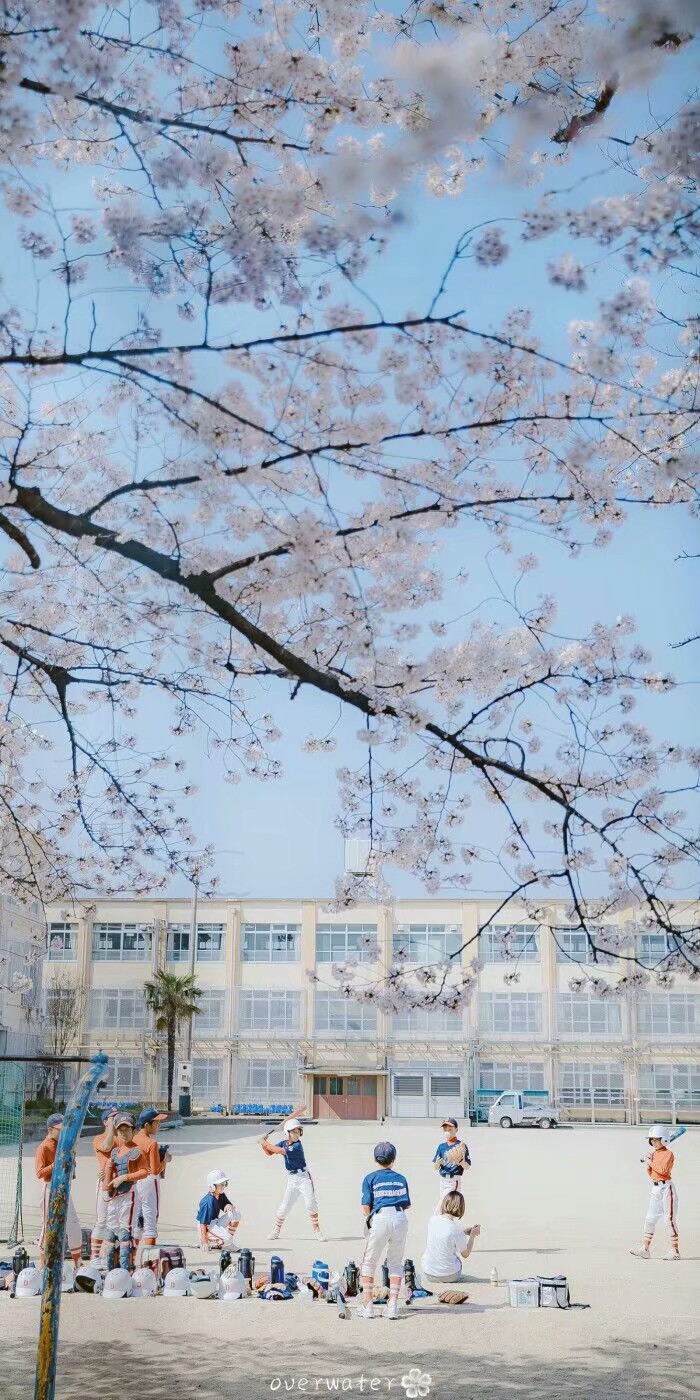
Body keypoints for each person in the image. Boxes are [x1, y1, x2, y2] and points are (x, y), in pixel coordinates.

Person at [358, 1141, 410, 1321]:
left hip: (380, 1217)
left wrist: (370, 1220)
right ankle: (393, 1305)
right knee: (395, 1262)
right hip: (399, 1217)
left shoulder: (369, 1178)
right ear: (393, 1159)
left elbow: (366, 1206)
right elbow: (406, 1204)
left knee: (369, 1262)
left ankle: (368, 1305)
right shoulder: (401, 1178)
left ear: (375, 1159)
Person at [260, 1113, 325, 1241]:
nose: (296, 1134)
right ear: (287, 1133)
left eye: (298, 1131)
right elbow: (269, 1152)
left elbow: (278, 1151)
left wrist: (265, 1142)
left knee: (311, 1204)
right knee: (284, 1207)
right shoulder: (283, 1143)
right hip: (292, 1179)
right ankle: (276, 1231)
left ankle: (317, 1231)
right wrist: (264, 1144)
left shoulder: (297, 1146)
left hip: (304, 1177)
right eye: (293, 1132)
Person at [35, 1112, 82, 1268]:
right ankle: (42, 1264)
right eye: (59, 1129)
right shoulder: (43, 1147)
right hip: (51, 1188)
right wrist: (56, 1164)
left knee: (73, 1223)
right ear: (50, 1129)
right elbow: (39, 1173)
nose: (63, 1131)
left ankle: (78, 1263)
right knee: (48, 1225)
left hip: (65, 1188)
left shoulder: (64, 1143)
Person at [103, 1113, 150, 1270]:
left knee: (125, 1232)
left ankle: (125, 1268)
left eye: (127, 1129)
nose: (124, 1133)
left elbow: (145, 1171)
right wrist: (106, 1185)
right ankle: (110, 1268)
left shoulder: (137, 1150)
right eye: (121, 1130)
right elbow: (109, 1168)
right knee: (110, 1233)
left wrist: (124, 1177)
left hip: (129, 1193)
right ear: (116, 1132)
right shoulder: (115, 1151)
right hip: (114, 1195)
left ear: (133, 1131)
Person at [631, 1125, 680, 1260]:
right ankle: (645, 1249)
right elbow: (653, 1174)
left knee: (668, 1220)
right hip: (655, 1188)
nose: (653, 1142)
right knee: (650, 1219)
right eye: (651, 1140)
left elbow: (663, 1171)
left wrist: (650, 1162)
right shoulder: (654, 1154)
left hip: (666, 1189)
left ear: (663, 1139)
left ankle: (675, 1251)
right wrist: (649, 1163)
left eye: (655, 1139)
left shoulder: (669, 1153)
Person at [421, 1190, 480, 1287]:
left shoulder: (432, 1220)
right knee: (457, 1259)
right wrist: (472, 1236)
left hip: (429, 1273)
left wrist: (464, 1232)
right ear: (460, 1208)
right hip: (450, 1276)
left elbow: (443, 1235)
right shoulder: (456, 1229)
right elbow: (465, 1254)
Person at [133, 1108, 170, 1253]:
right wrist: (164, 1160)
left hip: (135, 1181)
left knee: (137, 1221)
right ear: (147, 1125)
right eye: (156, 1123)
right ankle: (148, 1260)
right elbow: (155, 1170)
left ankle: (131, 1257)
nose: (158, 1126)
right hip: (149, 1181)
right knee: (150, 1220)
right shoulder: (151, 1143)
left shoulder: (133, 1139)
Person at [196, 1168, 241, 1250]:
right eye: (221, 1184)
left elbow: (227, 1204)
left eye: (224, 1183)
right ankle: (215, 1240)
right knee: (228, 1239)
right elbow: (203, 1224)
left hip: (215, 1223)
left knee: (236, 1213)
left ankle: (226, 1243)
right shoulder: (207, 1201)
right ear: (212, 1186)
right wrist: (204, 1242)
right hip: (206, 1227)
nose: (224, 1186)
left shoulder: (220, 1195)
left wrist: (227, 1205)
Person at [432, 1117, 470, 1204]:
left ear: (456, 1129)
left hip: (454, 1180)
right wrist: (437, 1164)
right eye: (445, 1128)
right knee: (447, 1206)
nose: (447, 1131)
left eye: (450, 1128)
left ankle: (435, 1217)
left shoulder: (461, 1145)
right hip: (443, 1180)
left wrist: (460, 1161)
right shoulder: (441, 1146)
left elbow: (467, 1166)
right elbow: (435, 1167)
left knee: (443, 1205)